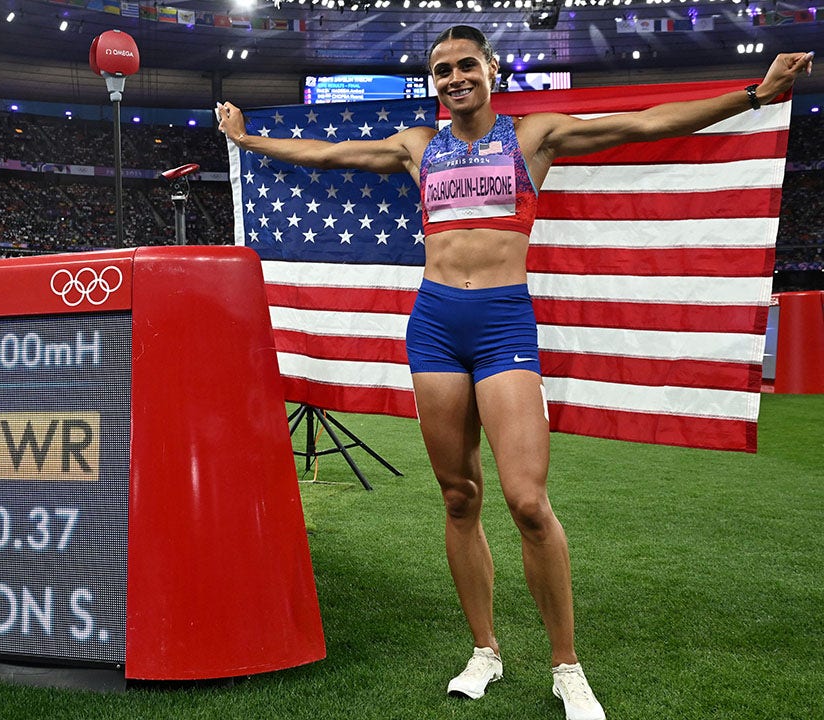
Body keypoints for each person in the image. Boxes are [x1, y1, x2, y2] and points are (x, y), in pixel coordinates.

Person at [217, 25, 812, 720]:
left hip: (503, 326)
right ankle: (485, 650)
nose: (455, 76)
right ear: (434, 81)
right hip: (435, 325)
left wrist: (755, 94)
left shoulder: (535, 136)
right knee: (459, 497)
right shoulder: (418, 146)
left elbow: (646, 123)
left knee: (528, 502)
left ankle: (567, 665)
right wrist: (248, 140)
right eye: (442, 69)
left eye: (466, 64)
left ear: (491, 71)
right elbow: (324, 153)